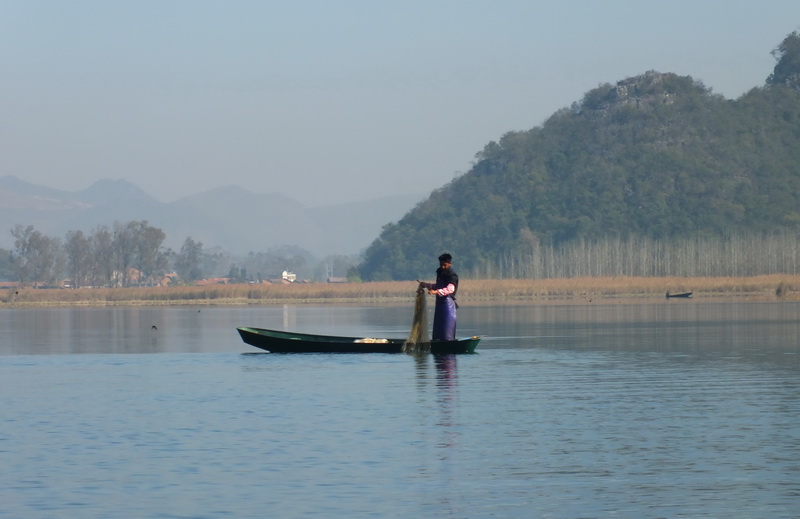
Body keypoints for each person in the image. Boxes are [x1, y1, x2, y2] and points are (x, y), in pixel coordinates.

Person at [418, 253, 459, 341]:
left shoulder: (452, 275)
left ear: (450, 264)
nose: (442, 267)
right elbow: (439, 286)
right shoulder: (440, 272)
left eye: (445, 265)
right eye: (441, 265)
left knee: (446, 331)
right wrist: (427, 285)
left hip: (448, 306)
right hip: (440, 305)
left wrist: (435, 292)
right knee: (438, 330)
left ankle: (447, 346)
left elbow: (450, 289)